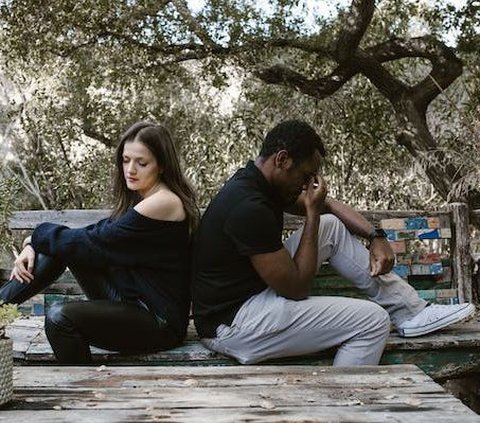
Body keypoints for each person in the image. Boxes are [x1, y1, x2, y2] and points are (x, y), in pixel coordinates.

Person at [192, 119, 475, 366]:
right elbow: (297, 288)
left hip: (250, 301)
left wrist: (376, 237)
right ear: (282, 159)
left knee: (330, 226)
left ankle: (411, 312)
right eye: (304, 177)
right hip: (234, 326)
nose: (306, 186)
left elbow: (327, 206)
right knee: (372, 321)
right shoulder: (248, 206)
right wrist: (312, 214)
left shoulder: (261, 182)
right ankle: (339, 409)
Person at [0, 121, 199, 364]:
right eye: (126, 160)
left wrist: (36, 236)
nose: (131, 170)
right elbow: (88, 238)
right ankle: (1, 307)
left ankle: (83, 391)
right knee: (62, 248)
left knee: (59, 318)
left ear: (162, 166)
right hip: (132, 300)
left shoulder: (163, 202)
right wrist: (33, 243)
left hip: (158, 321)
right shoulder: (146, 198)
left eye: (142, 163)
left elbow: (96, 240)